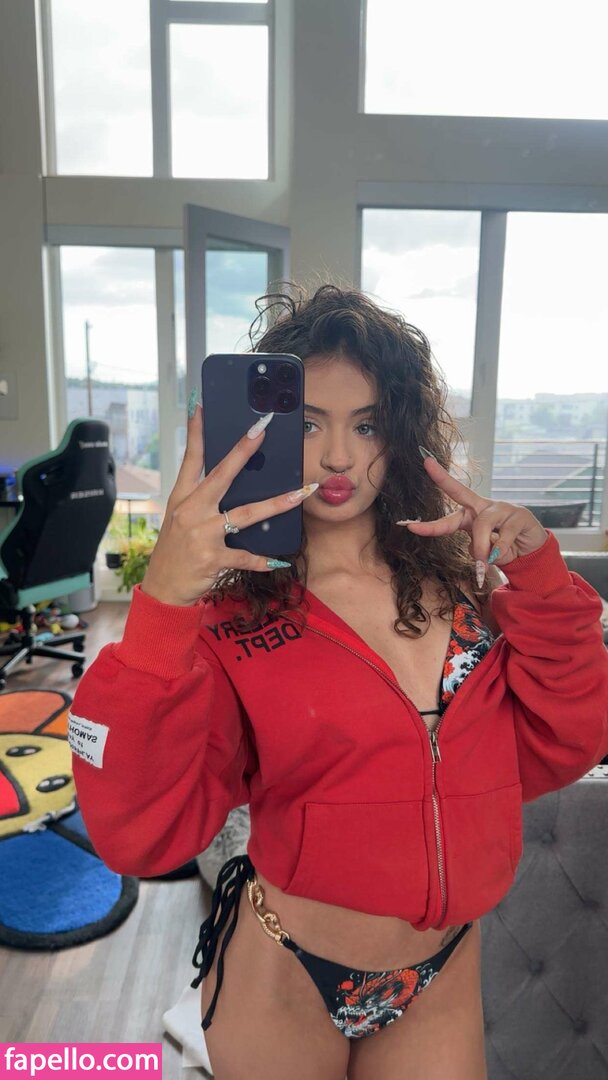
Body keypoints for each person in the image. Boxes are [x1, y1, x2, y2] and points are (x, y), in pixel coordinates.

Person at [68, 283, 608, 1080]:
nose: (338, 459)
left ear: (402, 434)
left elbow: (568, 740)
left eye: (367, 425)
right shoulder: (232, 622)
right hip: (285, 971)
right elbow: (140, 832)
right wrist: (163, 605)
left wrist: (541, 580)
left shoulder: (464, 592)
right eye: (308, 424)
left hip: (441, 969)